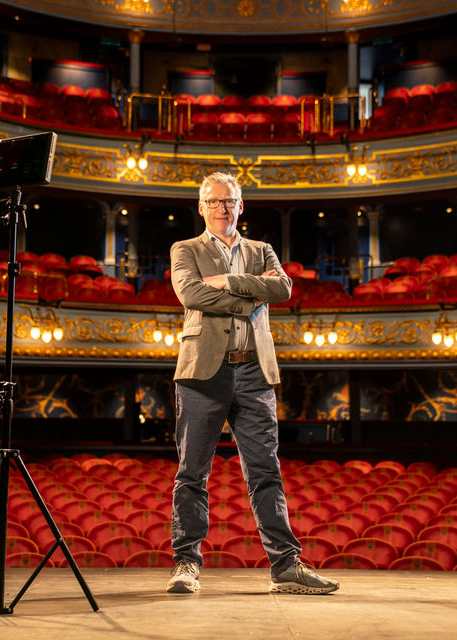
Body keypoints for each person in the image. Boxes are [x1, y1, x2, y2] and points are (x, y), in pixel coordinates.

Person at [166, 172, 339, 595]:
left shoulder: (262, 250)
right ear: (201, 207)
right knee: (192, 474)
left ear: (241, 206)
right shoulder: (184, 249)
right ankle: (186, 564)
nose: (222, 208)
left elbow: (282, 288)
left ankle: (285, 566)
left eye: (230, 201)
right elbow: (190, 295)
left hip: (255, 373)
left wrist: (227, 282)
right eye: (213, 202)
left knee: (266, 472)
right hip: (202, 373)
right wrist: (249, 297)